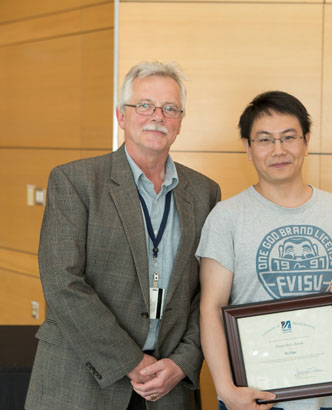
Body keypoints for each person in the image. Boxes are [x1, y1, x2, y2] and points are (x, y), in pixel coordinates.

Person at [25, 61, 221, 410]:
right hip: (82, 381)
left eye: (170, 108)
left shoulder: (205, 193)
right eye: (144, 105)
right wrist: (132, 360)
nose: (157, 116)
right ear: (121, 116)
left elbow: (206, 292)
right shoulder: (77, 182)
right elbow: (62, 283)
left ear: (179, 122)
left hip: (168, 386)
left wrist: (183, 362)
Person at [197, 91, 332, 410]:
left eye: (288, 137)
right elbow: (212, 307)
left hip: (326, 391)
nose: (278, 150)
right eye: (264, 140)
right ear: (247, 148)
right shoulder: (227, 216)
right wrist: (227, 390)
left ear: (306, 141)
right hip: (253, 397)